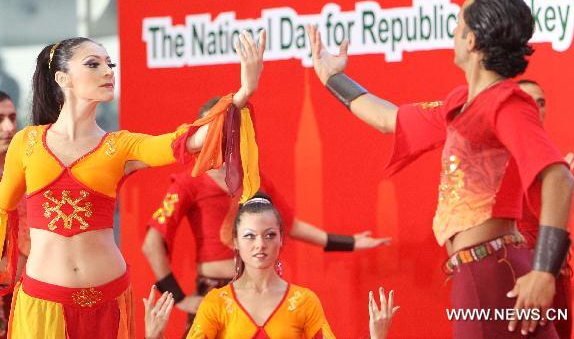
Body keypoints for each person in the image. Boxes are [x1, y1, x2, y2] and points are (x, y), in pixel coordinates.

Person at [308, 0, 574, 337]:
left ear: (472, 41)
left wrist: (543, 270)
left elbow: (559, 177)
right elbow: (389, 118)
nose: (453, 30)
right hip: (479, 269)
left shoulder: (505, 102)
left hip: (493, 271)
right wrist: (332, 77)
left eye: (459, 22)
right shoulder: (459, 106)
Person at [0, 30, 265, 338]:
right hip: (43, 304)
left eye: (110, 64)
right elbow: (3, 208)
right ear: (62, 78)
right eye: (93, 64)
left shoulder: (120, 146)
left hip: (110, 299)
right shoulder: (27, 143)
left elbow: (188, 141)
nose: (108, 71)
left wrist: (243, 93)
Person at [142, 98, 391, 334]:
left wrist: (349, 242)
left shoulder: (253, 177)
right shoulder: (188, 183)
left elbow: (288, 225)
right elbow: (152, 243)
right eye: (211, 131)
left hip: (262, 291)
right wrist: (178, 297)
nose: (219, 138)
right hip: (215, 292)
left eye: (224, 130)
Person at [144, 194, 399, 339]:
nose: (260, 245)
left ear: (281, 239)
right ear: (235, 242)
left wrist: (377, 338)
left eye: (269, 235)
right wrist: (154, 337)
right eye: (249, 236)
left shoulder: (304, 301)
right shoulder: (216, 303)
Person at [517, 79, 574, 339]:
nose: (535, 109)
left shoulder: (552, 162)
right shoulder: (493, 158)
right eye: (527, 102)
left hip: (555, 275)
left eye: (540, 103)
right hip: (517, 275)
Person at [0, 91, 30, 338]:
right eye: (0, 119)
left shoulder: (29, 169)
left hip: (27, 296)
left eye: (12, 118)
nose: (9, 128)